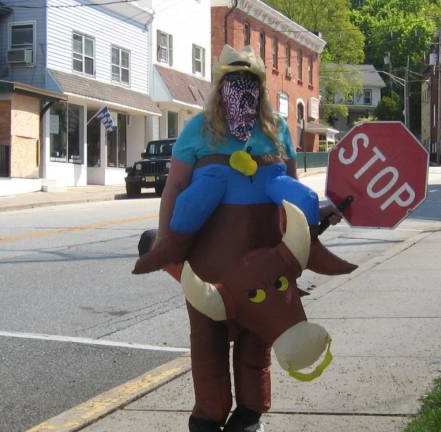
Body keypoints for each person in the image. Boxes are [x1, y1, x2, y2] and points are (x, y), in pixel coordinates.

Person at [133, 45, 355, 432]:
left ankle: (249, 416)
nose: (242, 91)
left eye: (250, 82)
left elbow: (291, 191)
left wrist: (315, 218)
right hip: (208, 264)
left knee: (257, 343)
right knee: (208, 342)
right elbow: (175, 189)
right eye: (234, 83)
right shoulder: (197, 130)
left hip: (265, 261)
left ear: (262, 87)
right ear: (219, 86)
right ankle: (207, 416)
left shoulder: (277, 129)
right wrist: (169, 244)